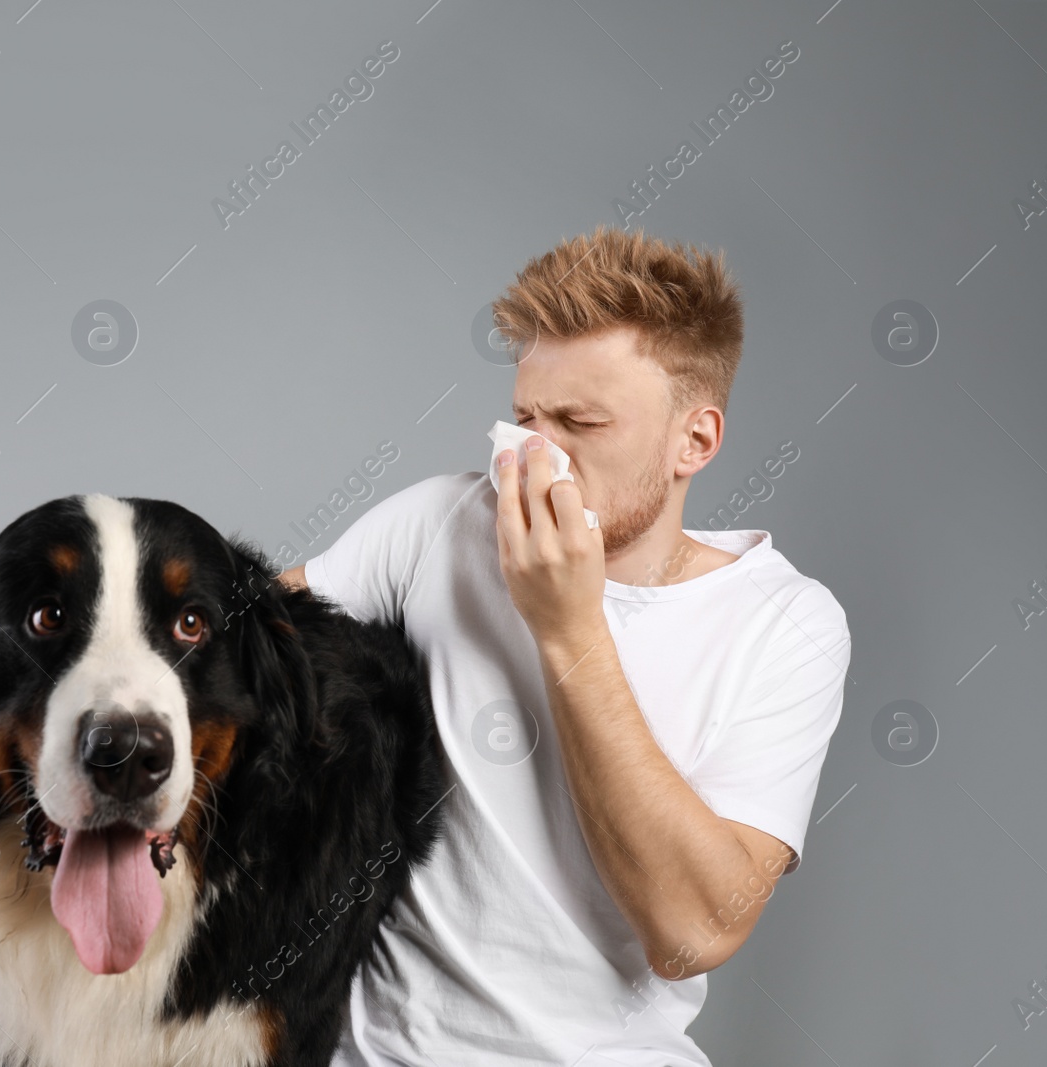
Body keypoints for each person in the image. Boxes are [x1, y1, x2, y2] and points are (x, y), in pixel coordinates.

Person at [276, 225, 852, 1066]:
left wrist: (570, 628)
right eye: (524, 420)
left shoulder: (784, 622)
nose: (533, 458)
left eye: (581, 422)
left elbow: (694, 930)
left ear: (695, 440)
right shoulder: (437, 523)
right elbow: (229, 650)